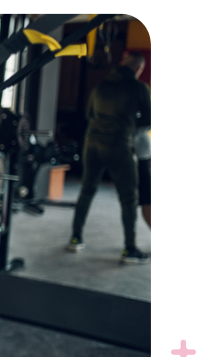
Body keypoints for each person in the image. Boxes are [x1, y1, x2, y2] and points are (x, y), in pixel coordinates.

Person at [68, 51, 151, 264]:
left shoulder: (101, 86)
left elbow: (89, 115)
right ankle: (129, 249)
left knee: (86, 190)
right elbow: (149, 120)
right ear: (139, 69)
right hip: (118, 145)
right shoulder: (139, 88)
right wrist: (130, 127)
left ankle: (75, 238)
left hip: (92, 143)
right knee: (129, 197)